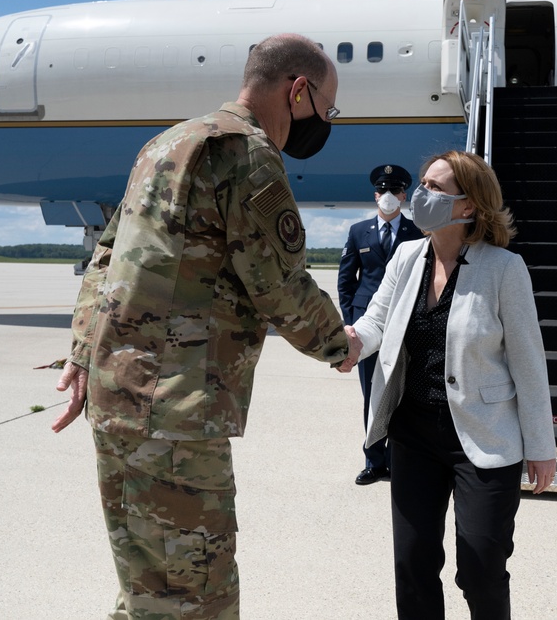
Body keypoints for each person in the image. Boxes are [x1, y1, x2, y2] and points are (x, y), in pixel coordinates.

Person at [50, 33, 361, 620]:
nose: (325, 121)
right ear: (298, 91)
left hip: (120, 400)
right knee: (196, 594)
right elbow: (279, 284)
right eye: (328, 108)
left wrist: (84, 352)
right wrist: (338, 344)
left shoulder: (164, 144)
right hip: (176, 414)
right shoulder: (246, 154)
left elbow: (106, 259)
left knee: (147, 584)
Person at [344, 150, 557, 619]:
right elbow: (377, 320)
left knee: (481, 569)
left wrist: (542, 445)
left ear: (469, 206)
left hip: (483, 435)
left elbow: (528, 363)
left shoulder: (504, 269)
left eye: (435, 187)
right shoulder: (406, 257)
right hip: (413, 432)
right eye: (422, 183)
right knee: (413, 565)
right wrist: (351, 341)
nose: (421, 193)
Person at [337, 164, 424, 485]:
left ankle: (401, 460)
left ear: (404, 196)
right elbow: (346, 281)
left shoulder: (417, 233)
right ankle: (374, 461)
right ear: (376, 195)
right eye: (383, 191)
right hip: (367, 326)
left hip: (405, 324)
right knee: (371, 394)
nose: (388, 197)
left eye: (395, 192)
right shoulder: (359, 231)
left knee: (403, 395)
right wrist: (352, 324)